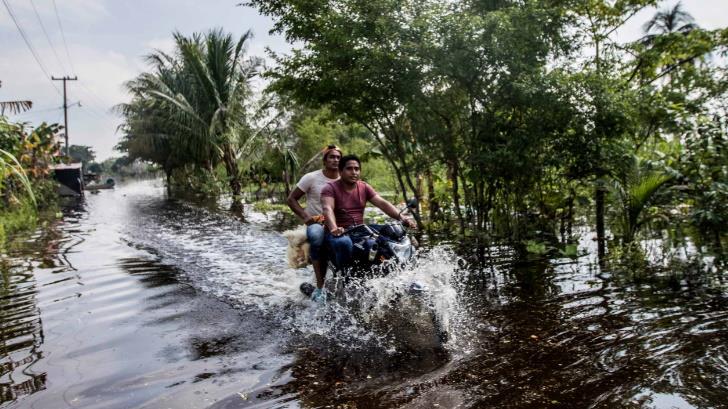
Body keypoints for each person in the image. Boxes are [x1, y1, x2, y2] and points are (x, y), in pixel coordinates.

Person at [321, 154, 416, 269]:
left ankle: (399, 270)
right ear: (340, 171)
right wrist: (333, 228)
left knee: (396, 234)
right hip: (339, 232)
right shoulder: (330, 188)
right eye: (349, 169)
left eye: (356, 169)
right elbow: (328, 209)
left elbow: (382, 203)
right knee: (345, 243)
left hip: (360, 229)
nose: (354, 172)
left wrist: (402, 218)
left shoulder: (364, 187)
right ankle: (345, 277)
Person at [286, 144, 342, 302]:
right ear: (324, 160)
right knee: (317, 238)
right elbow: (291, 199)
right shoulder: (311, 177)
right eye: (332, 157)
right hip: (317, 224)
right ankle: (319, 288)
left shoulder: (344, 179)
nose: (335, 160)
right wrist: (305, 217)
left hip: (339, 224)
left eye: (338, 157)